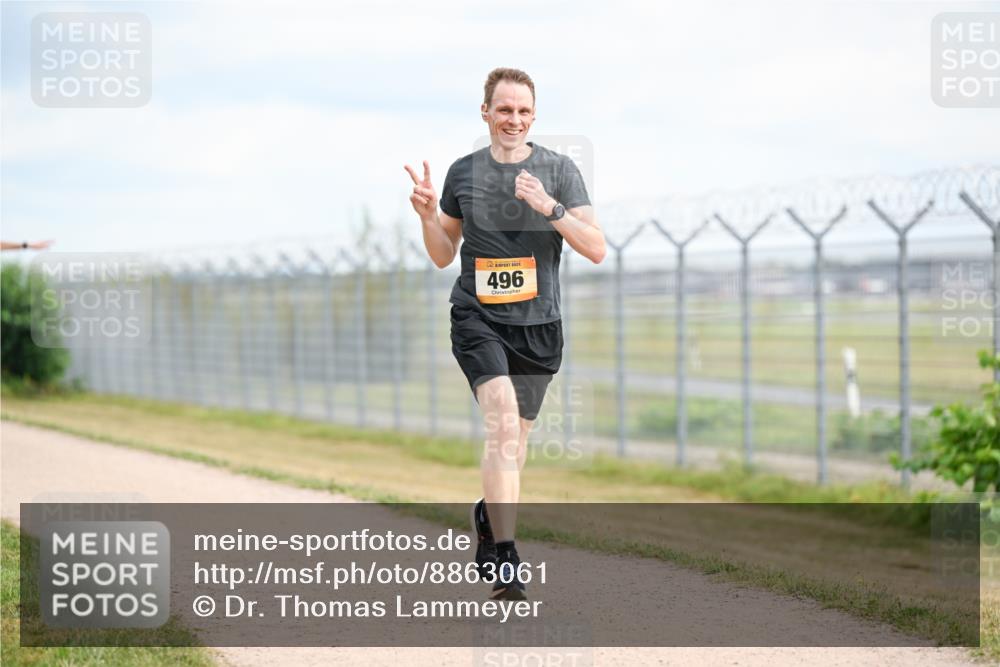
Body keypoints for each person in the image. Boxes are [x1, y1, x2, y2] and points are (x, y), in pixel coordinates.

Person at [404, 67, 605, 600]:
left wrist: (551, 209)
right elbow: (444, 253)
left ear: (533, 116)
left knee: (515, 443)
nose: (512, 119)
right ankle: (509, 557)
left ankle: (488, 517)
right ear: (486, 113)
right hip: (478, 317)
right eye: (504, 109)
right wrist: (428, 217)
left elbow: (596, 247)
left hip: (539, 327)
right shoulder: (463, 173)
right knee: (500, 423)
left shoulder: (559, 171)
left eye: (522, 110)